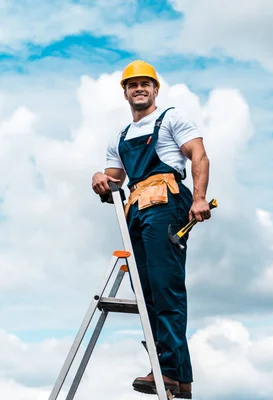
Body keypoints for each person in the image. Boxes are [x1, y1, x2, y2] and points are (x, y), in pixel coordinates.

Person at [91, 60, 211, 398]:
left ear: (155, 89)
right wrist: (99, 179)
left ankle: (169, 372)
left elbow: (199, 156)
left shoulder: (171, 119)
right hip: (135, 209)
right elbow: (114, 179)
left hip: (166, 203)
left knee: (165, 288)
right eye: (132, 85)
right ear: (125, 93)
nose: (139, 88)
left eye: (145, 83)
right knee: (145, 295)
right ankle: (175, 376)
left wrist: (199, 198)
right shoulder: (120, 137)